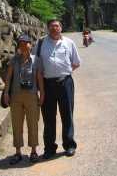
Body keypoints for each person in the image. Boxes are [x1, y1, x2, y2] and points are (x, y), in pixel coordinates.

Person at [33, 19, 81, 159]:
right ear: (48, 28)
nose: (55, 28)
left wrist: (65, 72)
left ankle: (69, 145)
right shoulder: (41, 43)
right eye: (52, 26)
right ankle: (49, 148)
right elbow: (37, 68)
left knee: (67, 115)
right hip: (47, 84)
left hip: (65, 83)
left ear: (61, 28)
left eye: (57, 26)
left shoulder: (69, 43)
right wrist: (40, 90)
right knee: (48, 118)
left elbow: (76, 63)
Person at [3, 34, 45, 164]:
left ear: (30, 45)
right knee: (17, 124)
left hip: (32, 96)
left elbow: (39, 78)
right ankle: (17, 152)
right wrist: (6, 93)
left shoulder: (36, 60)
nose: (23, 45)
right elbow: (9, 77)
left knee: (33, 123)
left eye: (26, 43)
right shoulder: (14, 60)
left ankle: (33, 151)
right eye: (20, 43)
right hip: (16, 96)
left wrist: (42, 93)